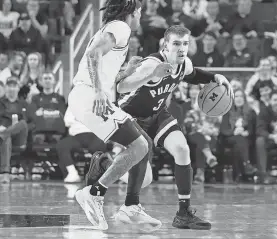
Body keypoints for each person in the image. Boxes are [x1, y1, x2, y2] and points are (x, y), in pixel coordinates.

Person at [86, 25, 233, 230]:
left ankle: (183, 213)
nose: (181, 48)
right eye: (176, 44)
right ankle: (105, 165)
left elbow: (194, 75)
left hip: (156, 114)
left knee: (182, 149)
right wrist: (151, 75)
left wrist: (214, 77)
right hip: (131, 116)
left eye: (185, 44)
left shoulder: (183, 64)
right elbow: (121, 87)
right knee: (145, 180)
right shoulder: (151, 64)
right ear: (166, 45)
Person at [68, 0, 164, 231]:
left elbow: (111, 77)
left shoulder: (113, 30)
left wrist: (127, 71)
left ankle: (131, 207)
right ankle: (94, 193)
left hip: (87, 96)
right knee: (140, 146)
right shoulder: (121, 27)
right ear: (131, 13)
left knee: (145, 143)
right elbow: (92, 55)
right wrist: (99, 92)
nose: (140, 16)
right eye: (139, 12)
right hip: (90, 96)